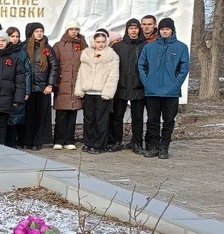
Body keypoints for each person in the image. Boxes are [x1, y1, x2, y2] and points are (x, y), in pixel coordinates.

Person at [137, 18, 189, 159]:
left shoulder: (181, 47)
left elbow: (184, 68)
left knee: (168, 120)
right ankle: (153, 146)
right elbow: (141, 65)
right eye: (162, 29)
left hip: (171, 92)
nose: (165, 31)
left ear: (172, 30)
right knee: (152, 120)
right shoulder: (150, 47)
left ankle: (164, 147)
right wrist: (147, 82)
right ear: (158, 30)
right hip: (152, 90)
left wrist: (176, 84)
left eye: (167, 29)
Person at [74, 29, 120, 154]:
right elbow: (81, 74)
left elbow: (113, 76)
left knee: (101, 119)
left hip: (101, 93)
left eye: (103, 42)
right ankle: (88, 142)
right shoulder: (87, 53)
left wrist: (108, 92)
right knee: (88, 118)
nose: (100, 44)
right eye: (98, 42)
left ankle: (100, 145)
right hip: (89, 92)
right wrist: (79, 89)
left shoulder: (111, 55)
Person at [108, 19, 147, 153]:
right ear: (127, 30)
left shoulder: (144, 46)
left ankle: (137, 142)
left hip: (138, 86)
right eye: (131, 28)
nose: (133, 30)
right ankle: (117, 141)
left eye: (136, 28)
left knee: (138, 117)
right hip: (121, 86)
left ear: (139, 29)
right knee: (117, 116)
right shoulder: (118, 47)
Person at [22, 22, 58, 150]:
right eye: (36, 31)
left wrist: (50, 84)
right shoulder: (24, 47)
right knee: (28, 116)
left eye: (41, 31)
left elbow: (54, 67)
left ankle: (37, 142)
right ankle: (26, 140)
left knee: (40, 116)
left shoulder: (47, 48)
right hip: (28, 88)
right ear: (31, 33)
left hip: (43, 89)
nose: (39, 33)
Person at [52, 20, 86, 150]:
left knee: (72, 113)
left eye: (76, 29)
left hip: (76, 83)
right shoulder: (59, 45)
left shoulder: (82, 45)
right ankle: (59, 140)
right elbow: (54, 65)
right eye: (71, 29)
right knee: (61, 114)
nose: (74, 31)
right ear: (67, 30)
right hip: (62, 83)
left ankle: (69, 140)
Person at [5, 27, 32, 149]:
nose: (15, 39)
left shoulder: (22, 52)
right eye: (12, 36)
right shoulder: (3, 50)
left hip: (18, 88)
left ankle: (13, 141)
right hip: (6, 88)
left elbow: (27, 72)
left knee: (16, 116)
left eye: (17, 36)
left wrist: (26, 91)